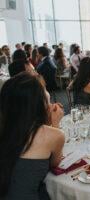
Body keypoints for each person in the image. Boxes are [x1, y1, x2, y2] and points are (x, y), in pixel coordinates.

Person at [0, 72, 65, 200]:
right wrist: (55, 124)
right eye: (44, 88)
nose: (48, 92)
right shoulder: (54, 135)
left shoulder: (6, 128)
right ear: (38, 100)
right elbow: (54, 163)